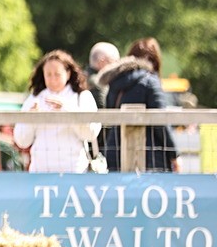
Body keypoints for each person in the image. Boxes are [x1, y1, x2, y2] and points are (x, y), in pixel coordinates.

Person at [99, 37, 178, 172]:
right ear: (154, 60)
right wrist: (174, 154)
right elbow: (161, 121)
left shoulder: (114, 82)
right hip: (150, 155)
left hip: (116, 151)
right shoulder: (150, 81)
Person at [13, 50, 99, 172]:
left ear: (68, 73)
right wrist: (30, 119)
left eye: (57, 74)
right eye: (48, 74)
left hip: (74, 171)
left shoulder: (82, 97)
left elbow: (91, 133)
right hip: (41, 172)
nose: (53, 79)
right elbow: (21, 141)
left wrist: (67, 111)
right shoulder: (34, 99)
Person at [86, 41, 120, 110]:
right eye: (115, 62)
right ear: (102, 62)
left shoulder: (83, 77)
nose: (117, 67)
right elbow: (104, 113)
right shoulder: (98, 83)